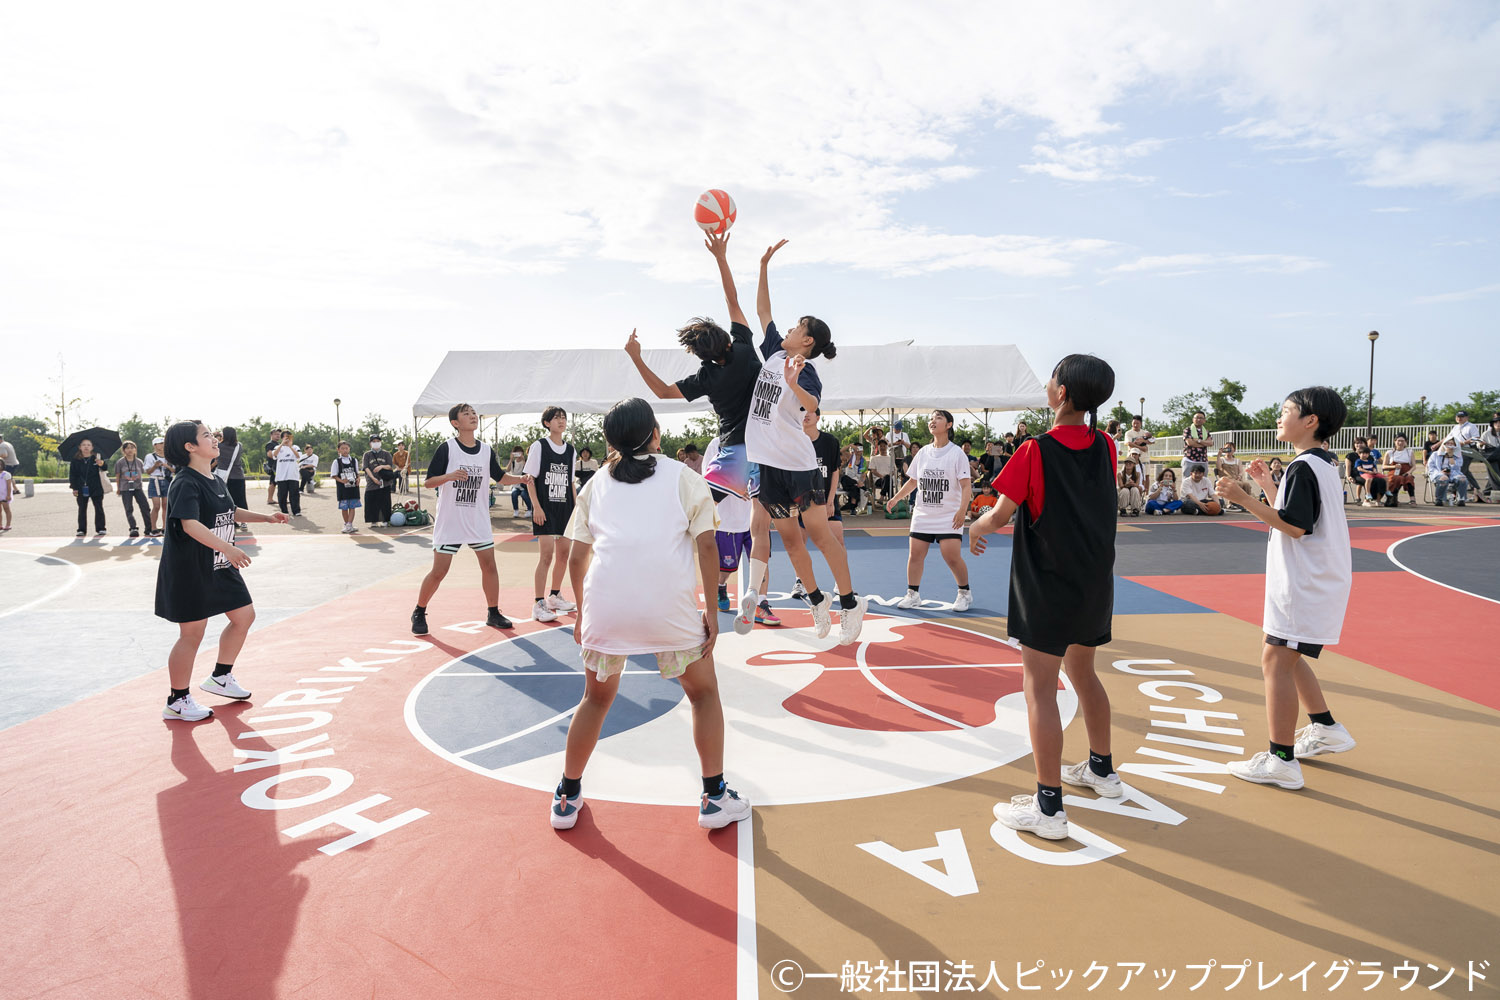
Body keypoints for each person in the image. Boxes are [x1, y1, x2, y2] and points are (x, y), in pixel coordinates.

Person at [550, 397, 751, 832]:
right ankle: (714, 796)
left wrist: (583, 615)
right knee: (703, 694)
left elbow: (577, 559)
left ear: (610, 442)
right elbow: (706, 545)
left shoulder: (595, 484)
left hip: (608, 608)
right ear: (655, 434)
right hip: (668, 610)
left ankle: (566, 796)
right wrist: (714, 611)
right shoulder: (684, 477)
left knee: (595, 699)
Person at [969, 354, 1120, 840]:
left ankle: (1049, 808)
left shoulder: (1035, 449)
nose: (1048, 383)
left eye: (1052, 377)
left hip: (1046, 581)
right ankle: (1101, 769)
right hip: (1094, 579)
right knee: (1085, 674)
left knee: (1040, 688)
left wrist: (975, 524)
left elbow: (1002, 515)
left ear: (1061, 393)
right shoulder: (1107, 446)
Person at [1214, 387, 1354, 790]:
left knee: (1275, 660)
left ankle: (1281, 759)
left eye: (1286, 411)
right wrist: (1267, 486)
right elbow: (1296, 515)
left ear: (1310, 421)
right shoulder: (1319, 464)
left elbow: (1295, 526)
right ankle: (1326, 728)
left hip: (1304, 581)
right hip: (1314, 577)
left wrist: (1243, 499)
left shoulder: (1305, 466)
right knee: (1287, 656)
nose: (1280, 416)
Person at [742, 238, 866, 644]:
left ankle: (850, 603)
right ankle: (817, 601)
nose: (790, 329)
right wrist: (762, 264)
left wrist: (795, 386)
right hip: (768, 464)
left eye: (798, 327)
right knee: (790, 541)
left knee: (819, 535)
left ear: (807, 340)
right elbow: (763, 310)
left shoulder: (802, 369)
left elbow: (813, 405)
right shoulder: (775, 355)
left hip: (799, 464)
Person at [155, 419, 288, 722]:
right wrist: (227, 547)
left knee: (244, 615)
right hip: (191, 568)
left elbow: (230, 511)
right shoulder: (185, 481)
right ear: (190, 447)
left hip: (219, 565)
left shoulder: (213, 478)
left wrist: (265, 518)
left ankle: (220, 676)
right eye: (206, 436)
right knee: (192, 634)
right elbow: (189, 524)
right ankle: (177, 700)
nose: (215, 439)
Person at [411, 403, 531, 636]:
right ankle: (419, 610)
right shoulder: (447, 448)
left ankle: (493, 612)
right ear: (456, 423)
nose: (473, 416)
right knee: (439, 571)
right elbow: (428, 482)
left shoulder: (486, 450)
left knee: (489, 566)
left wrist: (522, 479)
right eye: (466, 414)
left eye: (474, 413)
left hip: (477, 520)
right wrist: (450, 476)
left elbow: (501, 477)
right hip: (451, 520)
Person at [886, 409, 973, 611]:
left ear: (949, 425)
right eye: (931, 418)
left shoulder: (956, 453)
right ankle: (913, 594)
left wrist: (962, 511)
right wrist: (896, 498)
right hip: (923, 513)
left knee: (950, 556)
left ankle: (964, 593)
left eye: (938, 418)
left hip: (948, 514)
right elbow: (913, 481)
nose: (933, 421)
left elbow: (966, 485)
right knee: (915, 555)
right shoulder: (923, 452)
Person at [705, 436, 778, 626]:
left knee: (761, 561)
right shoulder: (717, 444)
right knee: (727, 568)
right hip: (728, 520)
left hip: (756, 513)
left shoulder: (760, 439)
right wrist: (734, 485)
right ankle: (721, 586)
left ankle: (761, 603)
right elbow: (709, 478)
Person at [525, 406, 578, 623]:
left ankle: (554, 596)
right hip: (545, 510)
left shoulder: (571, 450)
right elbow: (529, 479)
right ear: (547, 423)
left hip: (565, 509)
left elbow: (571, 483)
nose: (561, 421)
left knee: (564, 556)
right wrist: (536, 507)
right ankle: (538, 604)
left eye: (564, 418)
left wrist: (576, 509)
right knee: (546, 557)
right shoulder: (539, 446)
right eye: (556, 418)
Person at [1440, 412, 1487, 502]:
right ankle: (1476, 489)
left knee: (1461, 469)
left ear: (1467, 417)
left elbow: (1476, 437)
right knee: (1465, 471)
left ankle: (1453, 491)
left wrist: (1464, 443)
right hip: (1457, 450)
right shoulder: (1455, 427)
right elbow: (1448, 437)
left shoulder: (1471, 426)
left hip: (1467, 450)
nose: (1459, 418)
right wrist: (1437, 445)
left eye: (1462, 417)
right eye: (1458, 417)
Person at [70, 438, 109, 537]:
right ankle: (81, 529)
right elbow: (72, 475)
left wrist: (101, 463)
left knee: (99, 508)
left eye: (88, 445)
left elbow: (105, 468)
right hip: (81, 487)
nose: (86, 447)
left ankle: (101, 528)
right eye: (83, 445)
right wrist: (74, 488)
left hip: (96, 486)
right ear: (80, 447)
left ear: (92, 447)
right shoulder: (75, 460)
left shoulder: (96, 458)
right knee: (82, 508)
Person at [113, 440, 152, 537]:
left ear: (135, 450)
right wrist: (118, 488)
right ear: (124, 450)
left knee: (145, 507)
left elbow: (144, 472)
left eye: (132, 447)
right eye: (127, 448)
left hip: (138, 487)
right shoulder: (120, 462)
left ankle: (149, 528)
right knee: (129, 508)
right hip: (125, 488)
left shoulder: (139, 461)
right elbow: (117, 476)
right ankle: (133, 528)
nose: (130, 450)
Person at [216, 427, 248, 532]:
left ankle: (231, 521)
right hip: (238, 476)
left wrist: (214, 434)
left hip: (223, 477)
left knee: (227, 500)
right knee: (241, 499)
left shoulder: (219, 446)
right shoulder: (239, 446)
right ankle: (244, 522)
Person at [143, 436, 173, 537]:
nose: (162, 445)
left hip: (166, 480)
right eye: (160, 443)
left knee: (165, 505)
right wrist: (155, 466)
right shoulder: (150, 456)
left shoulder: (169, 456)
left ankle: (165, 527)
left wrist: (167, 466)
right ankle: (153, 528)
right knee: (156, 505)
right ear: (155, 445)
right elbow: (147, 471)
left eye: (163, 443)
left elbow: (175, 470)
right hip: (155, 480)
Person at [363, 434, 395, 526]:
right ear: (370, 443)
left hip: (384, 481)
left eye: (378, 441)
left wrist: (381, 466)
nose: (376, 443)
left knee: (385, 501)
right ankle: (373, 520)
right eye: (374, 441)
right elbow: (366, 468)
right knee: (371, 500)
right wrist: (373, 478)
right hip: (372, 482)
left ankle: (385, 520)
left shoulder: (386, 454)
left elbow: (390, 466)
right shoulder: (367, 454)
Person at [329, 441, 362, 532]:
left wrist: (358, 479)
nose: (345, 450)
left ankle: (349, 524)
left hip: (353, 488)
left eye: (346, 448)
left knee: (352, 506)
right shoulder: (336, 462)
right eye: (342, 448)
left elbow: (357, 473)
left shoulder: (354, 460)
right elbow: (334, 475)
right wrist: (342, 481)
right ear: (338, 450)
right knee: (344, 507)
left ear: (349, 449)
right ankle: (347, 523)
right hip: (343, 488)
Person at [1214, 441, 1253, 511]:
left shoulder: (1237, 460)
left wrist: (1239, 476)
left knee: (1246, 485)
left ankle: (1247, 503)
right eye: (1226, 448)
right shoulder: (1222, 459)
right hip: (1226, 479)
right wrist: (1218, 455)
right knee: (1237, 484)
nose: (1228, 450)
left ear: (1234, 450)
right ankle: (1232, 503)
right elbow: (1218, 467)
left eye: (1230, 448)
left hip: (1236, 478)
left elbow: (1241, 471)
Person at [1380, 434, 1417, 506]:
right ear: (1395, 441)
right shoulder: (1389, 452)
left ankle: (1412, 499)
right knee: (1396, 478)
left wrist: (1409, 472)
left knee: (1409, 478)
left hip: (1406, 471)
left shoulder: (1409, 452)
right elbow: (1383, 466)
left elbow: (1414, 466)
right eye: (1398, 441)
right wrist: (1394, 466)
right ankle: (1393, 497)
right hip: (1394, 471)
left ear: (1406, 442)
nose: (1400, 443)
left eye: (1402, 441)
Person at [272, 430, 303, 517]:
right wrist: (282, 444)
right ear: (282, 438)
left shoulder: (295, 447)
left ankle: (296, 510)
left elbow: (298, 456)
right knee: (282, 495)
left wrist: (290, 447)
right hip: (281, 476)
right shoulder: (278, 447)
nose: (287, 439)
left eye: (289, 437)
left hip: (293, 475)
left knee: (294, 494)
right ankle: (284, 511)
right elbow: (274, 455)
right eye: (285, 437)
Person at [1180, 411, 1211, 478]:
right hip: (1190, 458)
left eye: (1201, 418)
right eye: (1197, 418)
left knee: (1203, 481)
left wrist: (1198, 441)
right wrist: (1204, 443)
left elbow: (1211, 443)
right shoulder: (1188, 430)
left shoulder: (1206, 431)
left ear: (1204, 420)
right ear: (1193, 419)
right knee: (1187, 480)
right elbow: (1190, 443)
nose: (1199, 420)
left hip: (1203, 459)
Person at [1123, 417, 1154, 482]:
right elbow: (1128, 443)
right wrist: (1142, 448)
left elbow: (1153, 441)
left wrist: (1143, 441)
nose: (1135, 425)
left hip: (1144, 457)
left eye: (1137, 423)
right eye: (1134, 423)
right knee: (1132, 475)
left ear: (1141, 423)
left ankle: (1146, 491)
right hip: (1133, 458)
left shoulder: (1145, 432)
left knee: (1146, 476)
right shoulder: (1128, 433)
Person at [506, 446, 532, 518]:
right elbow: (507, 470)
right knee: (514, 493)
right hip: (515, 485)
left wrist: (523, 460)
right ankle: (516, 510)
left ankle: (530, 510)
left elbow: (528, 470)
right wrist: (511, 459)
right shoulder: (513, 463)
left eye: (519, 452)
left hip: (524, 485)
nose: (518, 455)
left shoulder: (525, 462)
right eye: (516, 453)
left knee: (524, 494)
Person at [840, 444, 866, 515]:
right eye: (856, 448)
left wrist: (861, 482)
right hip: (847, 481)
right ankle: (860, 486)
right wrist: (850, 445)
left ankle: (852, 507)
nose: (858, 450)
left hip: (857, 483)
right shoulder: (850, 457)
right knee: (844, 478)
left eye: (859, 448)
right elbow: (841, 451)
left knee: (855, 487)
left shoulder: (863, 461)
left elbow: (863, 475)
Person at [868, 440, 895, 506]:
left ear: (886, 447)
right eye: (881, 446)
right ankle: (891, 500)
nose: (883, 447)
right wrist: (882, 476)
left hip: (889, 478)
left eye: (884, 446)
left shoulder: (890, 458)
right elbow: (873, 471)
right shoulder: (874, 458)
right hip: (878, 479)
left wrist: (887, 476)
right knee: (888, 479)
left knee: (888, 478)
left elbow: (893, 471)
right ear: (878, 447)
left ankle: (882, 496)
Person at [263, 430, 282, 506]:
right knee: (273, 482)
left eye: (279, 434)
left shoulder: (278, 444)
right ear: (271, 435)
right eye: (276, 434)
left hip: (279, 466)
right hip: (273, 467)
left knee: (278, 483)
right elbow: (270, 455)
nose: (278, 436)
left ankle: (281, 498)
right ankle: (270, 499)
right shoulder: (270, 444)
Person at [0, 462, 12, 531]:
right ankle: (0, 524)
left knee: (6, 509)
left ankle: (8, 524)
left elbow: (9, 486)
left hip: (4, 495)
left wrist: (8, 495)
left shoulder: (6, 474)